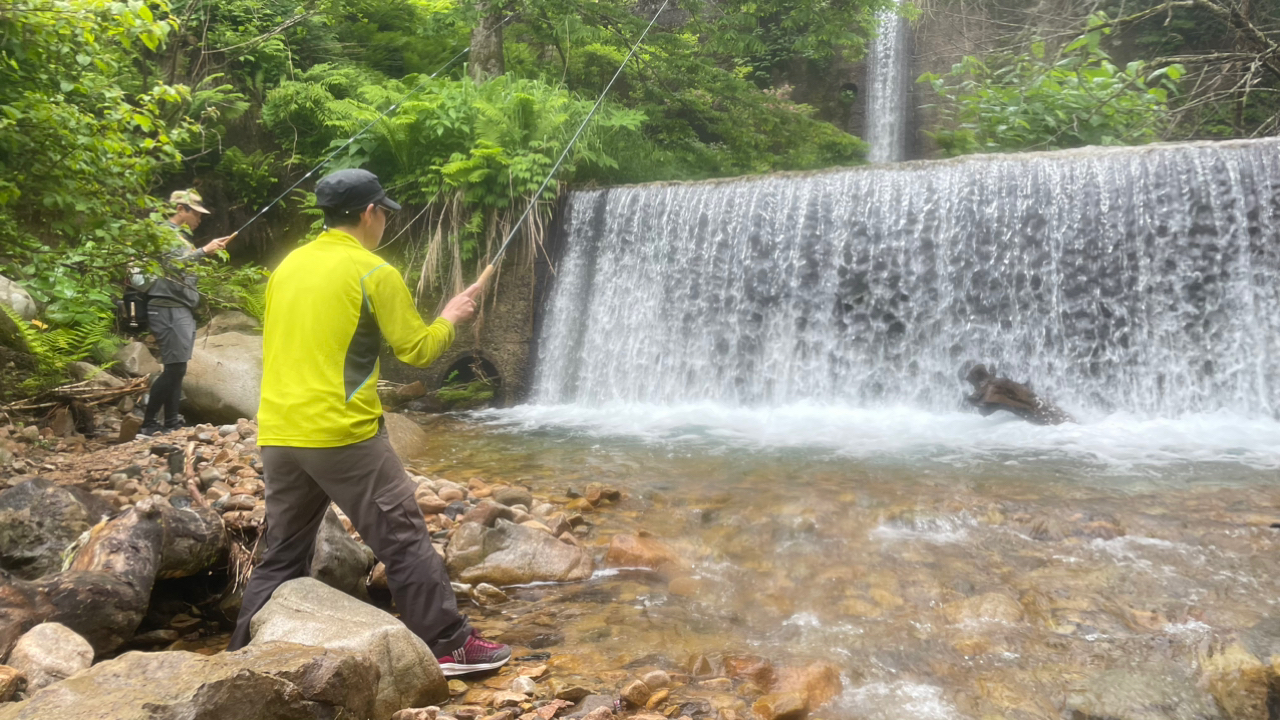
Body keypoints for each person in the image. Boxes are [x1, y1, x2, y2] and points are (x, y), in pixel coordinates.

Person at [226, 169, 511, 676]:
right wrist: (451, 316)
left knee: (283, 554)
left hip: (278, 432)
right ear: (368, 213)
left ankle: (241, 653)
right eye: (384, 213)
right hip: (343, 434)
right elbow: (418, 351)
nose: (383, 222)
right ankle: (448, 645)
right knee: (403, 539)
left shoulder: (286, 268)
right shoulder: (373, 271)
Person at [138, 189, 232, 436]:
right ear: (181, 210)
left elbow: (182, 266)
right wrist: (203, 251)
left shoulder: (180, 238)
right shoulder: (163, 234)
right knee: (175, 369)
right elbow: (172, 264)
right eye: (196, 214)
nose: (199, 219)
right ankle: (148, 424)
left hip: (179, 308)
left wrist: (202, 253)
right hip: (167, 307)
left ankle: (170, 421)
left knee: (177, 367)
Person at [963, 363, 1074, 425]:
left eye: (973, 383)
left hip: (1032, 410)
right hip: (1033, 405)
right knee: (1052, 413)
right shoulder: (998, 383)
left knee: (1047, 416)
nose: (974, 388)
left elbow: (985, 410)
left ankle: (1065, 421)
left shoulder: (992, 387)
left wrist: (977, 400)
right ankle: (1067, 420)